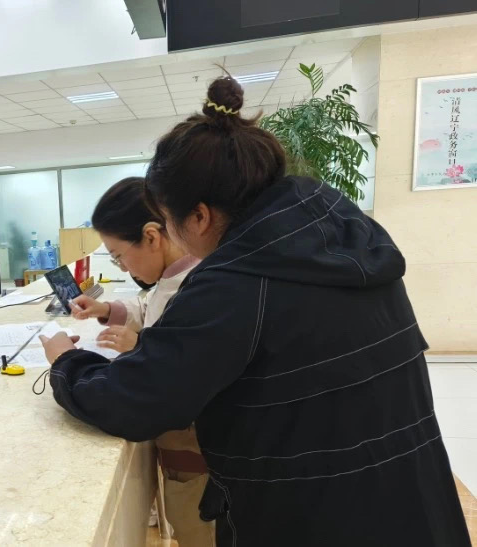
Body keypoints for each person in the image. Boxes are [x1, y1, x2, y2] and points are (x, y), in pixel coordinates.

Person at [41, 76, 470, 546]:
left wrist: (67, 364)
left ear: (199, 216)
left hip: (315, 518)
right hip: (414, 503)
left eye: (168, 221)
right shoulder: (343, 233)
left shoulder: (235, 282)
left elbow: (137, 402)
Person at [70, 176, 207, 545]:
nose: (121, 267)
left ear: (151, 236)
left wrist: (140, 347)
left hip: (199, 469)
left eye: (118, 256)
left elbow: (172, 365)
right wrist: (106, 309)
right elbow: (149, 309)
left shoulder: (198, 287)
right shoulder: (173, 276)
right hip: (186, 464)